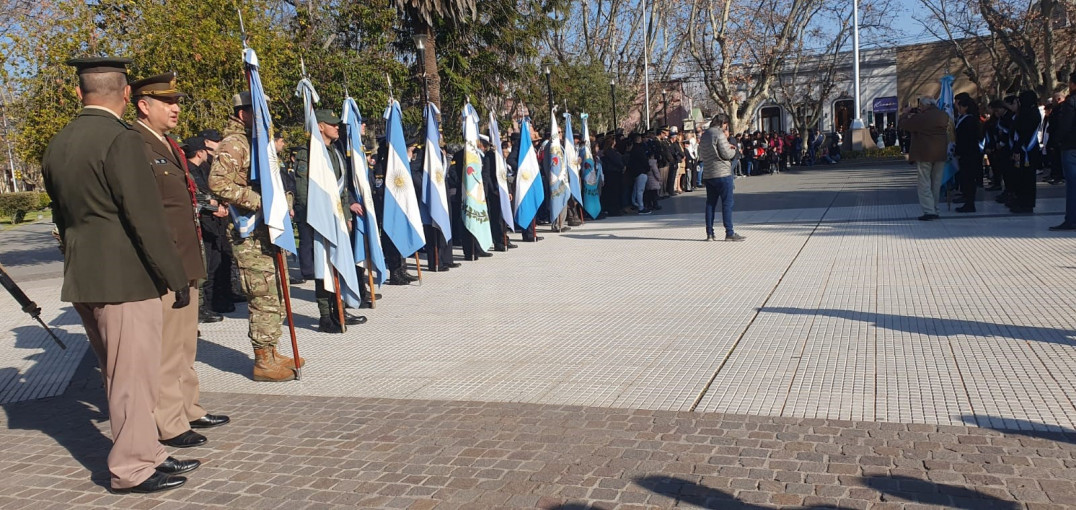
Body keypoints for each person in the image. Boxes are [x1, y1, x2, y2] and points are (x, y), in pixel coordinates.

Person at [42, 56, 199, 493]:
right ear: (128, 95)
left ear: (79, 92)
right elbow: (144, 218)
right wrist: (173, 276)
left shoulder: (59, 142)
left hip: (84, 275)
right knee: (133, 378)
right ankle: (132, 467)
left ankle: (150, 451)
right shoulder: (121, 139)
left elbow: (61, 215)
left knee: (119, 374)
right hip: (126, 278)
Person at [129, 72, 230, 449]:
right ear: (144, 105)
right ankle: (169, 422)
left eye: (176, 102)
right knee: (168, 348)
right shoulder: (136, 145)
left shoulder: (167, 144)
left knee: (186, 343)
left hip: (187, 257)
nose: (175, 108)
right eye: (167, 102)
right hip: (167, 261)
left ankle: (190, 407)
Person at [208, 91, 302, 382]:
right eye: (257, 111)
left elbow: (274, 179)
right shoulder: (235, 143)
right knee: (262, 295)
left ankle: (272, 351)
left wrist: (283, 201)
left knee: (274, 293)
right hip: (250, 233)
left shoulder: (257, 143)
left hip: (268, 231)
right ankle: (262, 359)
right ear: (242, 113)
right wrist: (260, 202)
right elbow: (218, 183)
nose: (265, 117)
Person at [184, 137, 232, 323]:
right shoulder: (190, 171)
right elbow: (198, 195)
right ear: (200, 152)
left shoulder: (203, 168)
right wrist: (214, 205)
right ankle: (202, 307)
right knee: (205, 268)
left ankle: (212, 303)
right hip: (202, 222)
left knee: (214, 263)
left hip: (212, 223)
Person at [900, 96, 951, 221]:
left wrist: (905, 114)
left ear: (925, 105)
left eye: (921, 106)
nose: (920, 108)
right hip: (940, 153)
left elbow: (904, 125)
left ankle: (929, 211)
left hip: (925, 154)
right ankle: (935, 208)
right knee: (936, 183)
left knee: (924, 183)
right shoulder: (943, 115)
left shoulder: (922, 117)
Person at [699, 114, 745, 241]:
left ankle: (710, 233)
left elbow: (701, 153)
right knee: (727, 203)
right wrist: (733, 150)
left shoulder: (704, 135)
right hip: (722, 173)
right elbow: (726, 154)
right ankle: (729, 232)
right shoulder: (719, 134)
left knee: (710, 203)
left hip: (709, 173)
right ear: (723, 123)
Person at [1009, 90, 1042, 213]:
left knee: (1027, 178)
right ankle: (1020, 200)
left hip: (1027, 148)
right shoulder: (1025, 112)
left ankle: (1027, 204)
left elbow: (1024, 132)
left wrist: (1017, 148)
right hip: (1024, 148)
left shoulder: (1031, 113)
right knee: (1021, 177)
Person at [1051, 73, 1076, 231]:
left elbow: (1065, 125)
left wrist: (1057, 140)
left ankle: (1071, 219)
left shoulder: (1071, 102)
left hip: (1071, 147)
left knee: (1073, 186)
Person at [953, 96, 984, 212]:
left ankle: (970, 203)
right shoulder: (964, 119)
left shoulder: (969, 120)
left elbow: (967, 139)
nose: (958, 109)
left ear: (965, 107)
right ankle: (967, 201)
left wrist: (959, 151)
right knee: (965, 178)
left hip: (969, 154)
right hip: (966, 153)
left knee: (969, 179)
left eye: (960, 106)